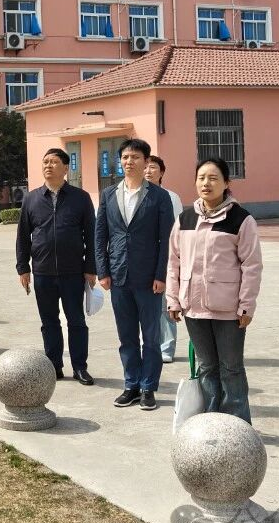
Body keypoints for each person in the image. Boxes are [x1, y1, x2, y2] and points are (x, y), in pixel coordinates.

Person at [166, 158, 262, 424]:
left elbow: (252, 265)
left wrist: (247, 305)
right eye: (201, 178)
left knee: (231, 368)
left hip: (228, 309)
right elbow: (174, 261)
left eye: (213, 178)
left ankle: (237, 424)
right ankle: (211, 422)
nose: (206, 183)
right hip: (193, 308)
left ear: (226, 183)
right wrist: (173, 299)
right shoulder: (185, 219)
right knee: (207, 367)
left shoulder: (241, 219)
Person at [96, 140, 175, 411]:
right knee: (126, 336)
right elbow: (100, 235)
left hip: (149, 278)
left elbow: (166, 240)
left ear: (146, 161)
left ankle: (148, 387)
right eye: (125, 157)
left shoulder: (159, 196)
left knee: (151, 337)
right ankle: (131, 385)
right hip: (118, 275)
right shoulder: (108, 194)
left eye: (135, 157)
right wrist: (103, 270)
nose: (129, 161)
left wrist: (161, 275)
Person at [16, 148, 96, 383]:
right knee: (49, 321)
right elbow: (23, 236)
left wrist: (91, 268)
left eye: (53, 162)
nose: (48, 166)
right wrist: (23, 268)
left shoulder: (80, 198)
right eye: (45, 162)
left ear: (65, 168)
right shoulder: (31, 198)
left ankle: (80, 367)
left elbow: (91, 235)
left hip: (73, 271)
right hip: (43, 271)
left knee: (76, 321)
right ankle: (54, 366)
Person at [144, 155, 183, 364]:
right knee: (144, 306)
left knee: (164, 304)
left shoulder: (171, 197)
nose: (148, 171)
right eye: (145, 167)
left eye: (152, 167)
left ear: (162, 172)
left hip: (166, 257)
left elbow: (177, 230)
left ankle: (166, 347)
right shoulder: (135, 195)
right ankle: (148, 345)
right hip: (143, 259)